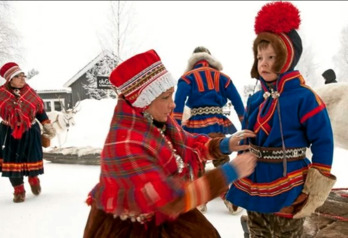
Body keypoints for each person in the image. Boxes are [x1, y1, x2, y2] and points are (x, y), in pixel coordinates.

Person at [83, 49, 257, 238]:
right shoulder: (126, 146)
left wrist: (225, 145)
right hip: (130, 227)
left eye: (171, 95)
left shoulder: (156, 121)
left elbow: (189, 143)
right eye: (165, 97)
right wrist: (230, 172)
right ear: (143, 101)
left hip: (164, 209)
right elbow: (171, 200)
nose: (173, 104)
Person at [225, 2, 336, 237]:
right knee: (257, 231)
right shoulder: (255, 99)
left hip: (290, 185)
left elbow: (323, 141)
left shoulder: (305, 98)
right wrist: (236, 175)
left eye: (271, 56)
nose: (263, 63)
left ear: (287, 58)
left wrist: (315, 187)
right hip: (255, 183)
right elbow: (246, 141)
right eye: (259, 57)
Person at [173, 46, 246, 213]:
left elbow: (178, 103)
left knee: (197, 157)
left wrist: (175, 128)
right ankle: (229, 197)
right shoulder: (222, 77)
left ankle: (199, 200)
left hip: (195, 126)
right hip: (217, 123)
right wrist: (245, 124)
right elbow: (237, 101)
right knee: (220, 156)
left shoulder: (187, 78)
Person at [0, 62, 56, 203]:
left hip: (30, 131)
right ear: (9, 79)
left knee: (32, 158)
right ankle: (18, 190)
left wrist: (47, 126)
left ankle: (33, 177)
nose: (23, 79)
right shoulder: (1, 94)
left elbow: (40, 111)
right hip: (9, 133)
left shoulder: (30, 92)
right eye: (18, 76)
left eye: (23, 76)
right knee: (12, 161)